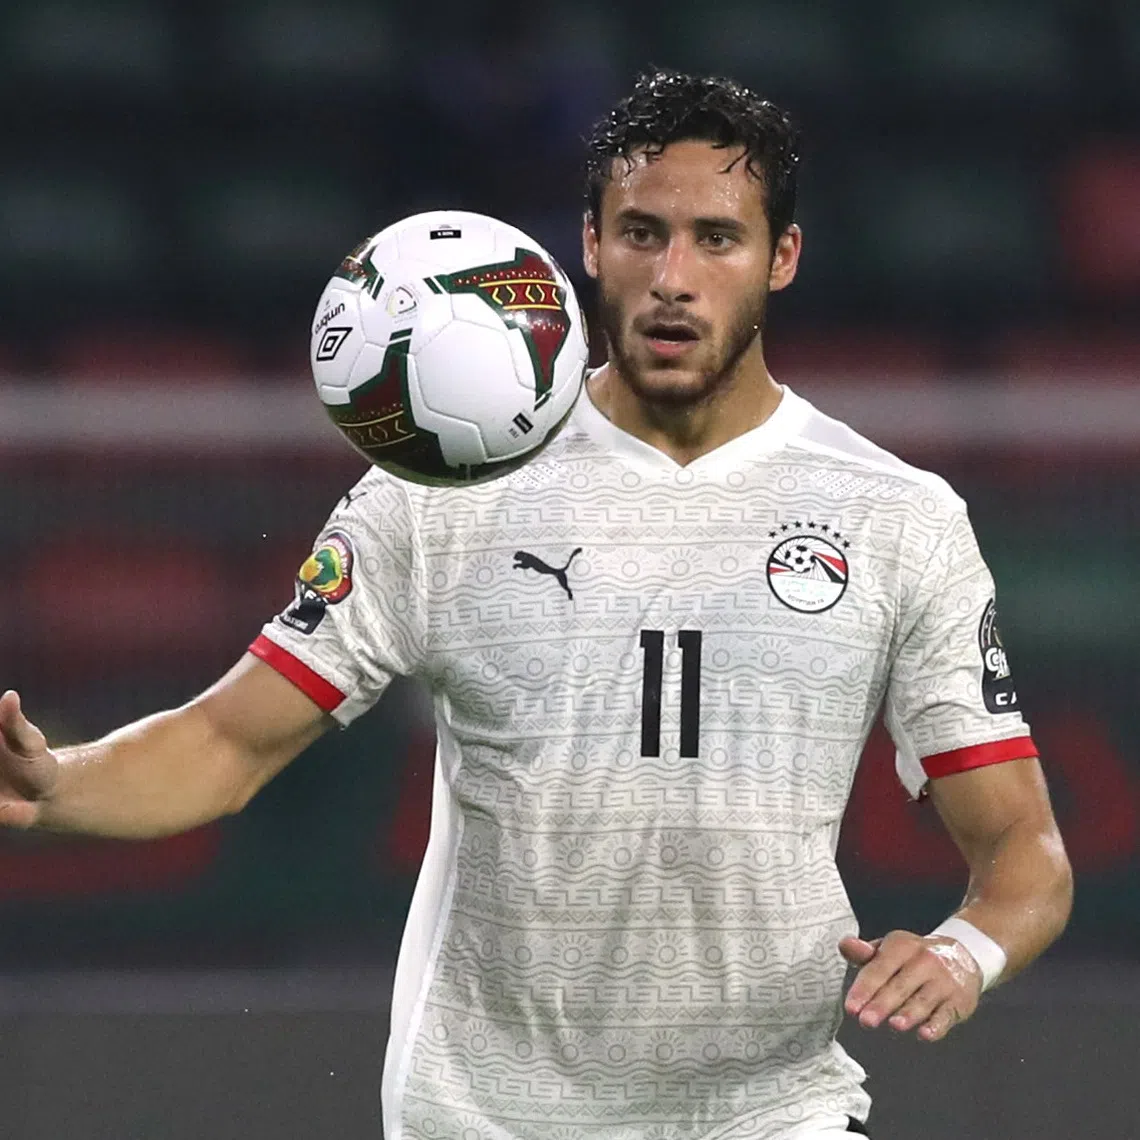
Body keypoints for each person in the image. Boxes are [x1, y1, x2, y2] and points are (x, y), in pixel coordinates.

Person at [0, 70, 1072, 1140]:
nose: (673, 277)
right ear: (591, 247)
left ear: (783, 258)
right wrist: (56, 785)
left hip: (774, 1107)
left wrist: (961, 954)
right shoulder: (443, 488)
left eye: (717, 238)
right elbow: (226, 744)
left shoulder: (897, 518)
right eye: (643, 234)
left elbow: (1023, 850)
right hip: (490, 1116)